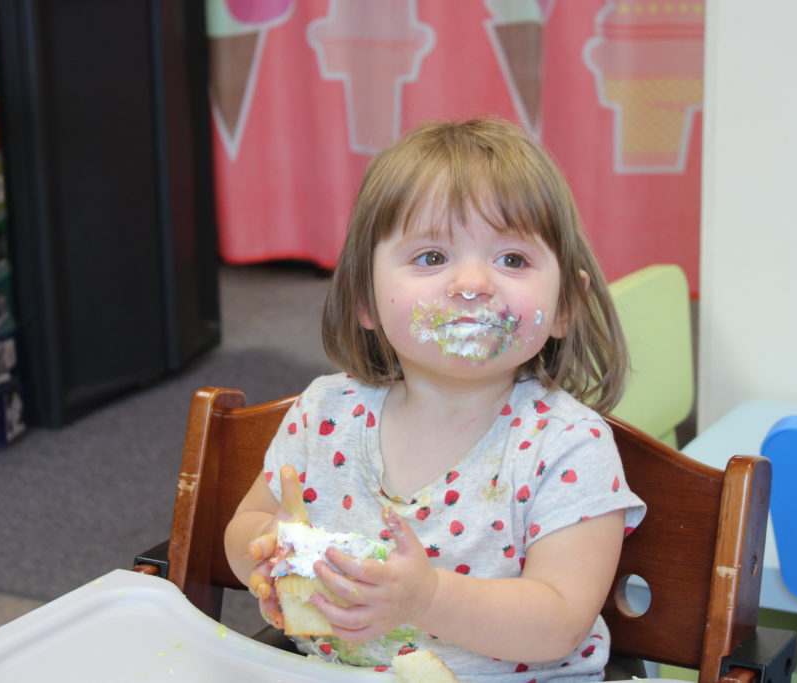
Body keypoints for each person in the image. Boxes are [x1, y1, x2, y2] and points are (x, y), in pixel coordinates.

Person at [224, 118, 646, 681]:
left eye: (512, 260)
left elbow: (560, 621)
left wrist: (426, 599)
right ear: (364, 301)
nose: (471, 283)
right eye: (430, 258)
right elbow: (250, 524)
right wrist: (269, 554)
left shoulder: (568, 446)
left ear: (566, 303)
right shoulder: (324, 415)